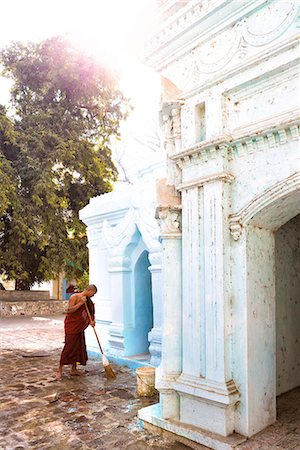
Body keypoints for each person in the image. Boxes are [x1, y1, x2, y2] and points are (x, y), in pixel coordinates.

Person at [56, 284, 97, 381]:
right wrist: (80, 303)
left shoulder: (88, 301)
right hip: (72, 326)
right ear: (89, 290)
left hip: (80, 327)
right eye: (93, 293)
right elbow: (69, 310)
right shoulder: (75, 297)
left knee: (78, 347)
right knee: (69, 346)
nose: (93, 296)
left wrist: (92, 320)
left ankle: (73, 370)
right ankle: (59, 370)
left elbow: (90, 312)